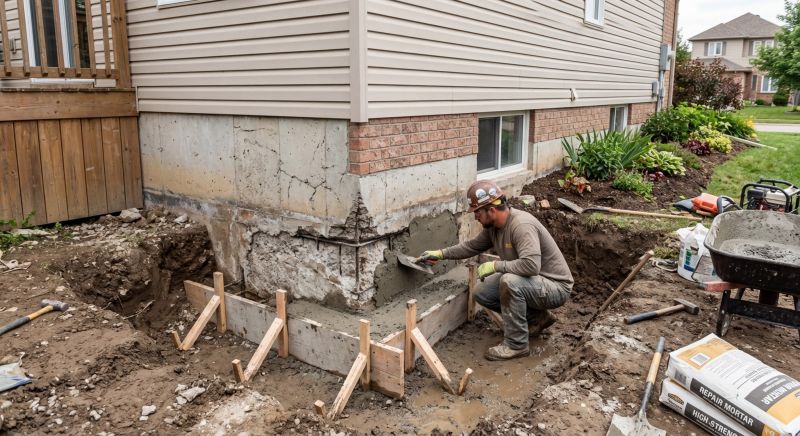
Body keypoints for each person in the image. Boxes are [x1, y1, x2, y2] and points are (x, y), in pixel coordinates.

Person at [420, 180, 573, 361]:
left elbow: (531, 265)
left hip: (555, 287)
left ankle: (516, 345)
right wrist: (440, 254)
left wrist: (495, 266)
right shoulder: (493, 227)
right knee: (482, 292)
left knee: (509, 282)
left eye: (477, 212)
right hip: (532, 283)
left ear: (491, 210)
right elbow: (471, 246)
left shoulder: (521, 226)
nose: (475, 217)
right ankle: (538, 318)